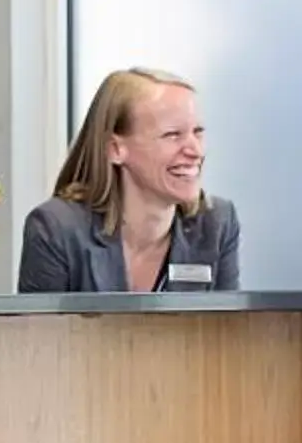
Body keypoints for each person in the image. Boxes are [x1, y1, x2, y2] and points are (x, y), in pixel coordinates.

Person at [17, 67, 241, 293]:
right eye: (173, 135)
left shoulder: (217, 224)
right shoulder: (56, 228)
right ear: (115, 149)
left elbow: (227, 328)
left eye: (198, 132)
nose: (195, 151)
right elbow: (39, 329)